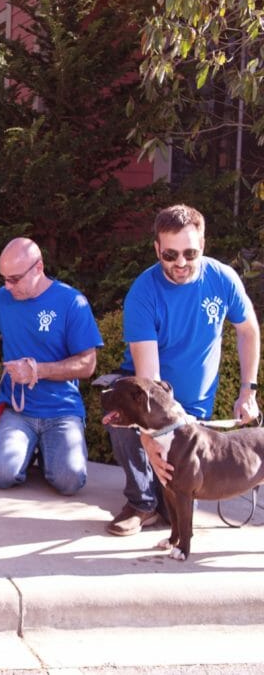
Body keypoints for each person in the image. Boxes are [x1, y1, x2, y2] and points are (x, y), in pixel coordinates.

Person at [105, 204, 260, 536]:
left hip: (196, 408)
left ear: (202, 245)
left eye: (190, 253)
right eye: (170, 255)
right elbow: (150, 384)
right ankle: (141, 502)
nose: (180, 263)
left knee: (178, 499)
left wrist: (249, 391)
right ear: (157, 249)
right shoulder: (143, 293)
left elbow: (248, 330)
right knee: (120, 408)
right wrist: (150, 437)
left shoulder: (222, 279)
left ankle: (160, 502)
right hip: (151, 399)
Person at [0, 237, 102, 496]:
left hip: (61, 410)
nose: (7, 286)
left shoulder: (71, 302)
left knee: (70, 481)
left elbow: (88, 363)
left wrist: (38, 371)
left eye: (14, 279)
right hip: (17, 409)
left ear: (38, 267)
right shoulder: (3, 298)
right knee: (1, 475)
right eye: (3, 278)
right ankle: (32, 448)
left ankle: (47, 451)